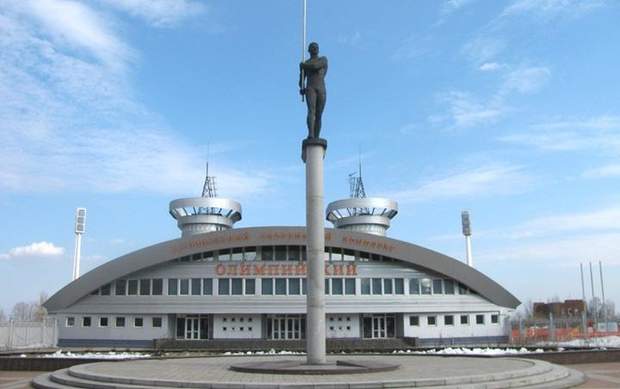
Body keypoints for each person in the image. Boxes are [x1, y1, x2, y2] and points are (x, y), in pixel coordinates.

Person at [299, 42, 328, 139]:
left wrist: (303, 66)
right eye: (312, 47)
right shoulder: (305, 63)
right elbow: (301, 81)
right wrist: (302, 88)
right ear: (309, 50)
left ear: (318, 49)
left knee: (319, 114)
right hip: (310, 88)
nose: (315, 48)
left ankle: (317, 136)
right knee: (311, 111)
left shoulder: (323, 59)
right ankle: (311, 134)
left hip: (321, 88)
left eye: (316, 47)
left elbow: (316, 66)